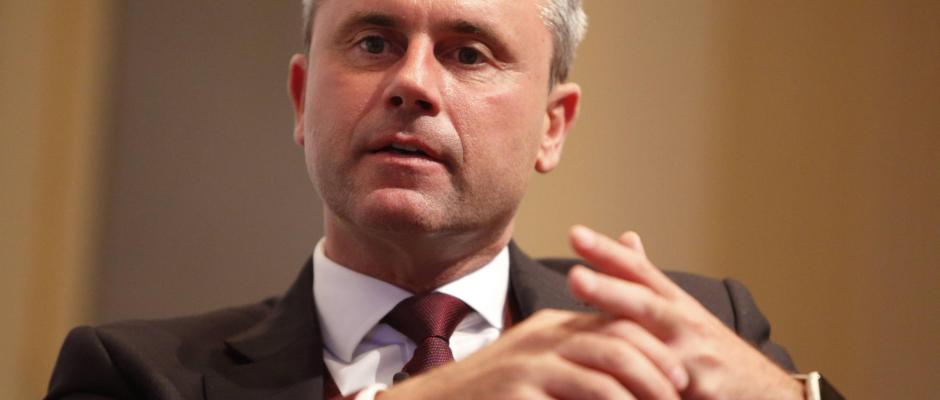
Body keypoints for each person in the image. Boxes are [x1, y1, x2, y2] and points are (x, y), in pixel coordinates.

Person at [46, 0, 841, 399]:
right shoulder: (133, 374)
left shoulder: (684, 335)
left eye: (467, 53)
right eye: (374, 42)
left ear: (552, 128)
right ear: (301, 100)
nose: (413, 84)